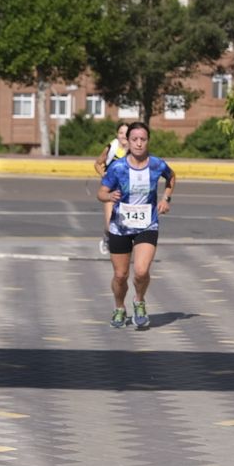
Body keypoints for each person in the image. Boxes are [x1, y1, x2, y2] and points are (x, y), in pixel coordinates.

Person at [98, 122, 175, 330]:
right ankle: (119, 307)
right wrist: (109, 195)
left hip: (147, 224)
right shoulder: (118, 167)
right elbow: (100, 193)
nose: (139, 144)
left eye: (143, 139)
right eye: (135, 140)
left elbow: (171, 177)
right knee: (120, 276)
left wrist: (166, 198)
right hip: (120, 227)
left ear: (148, 141)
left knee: (141, 272)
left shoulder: (157, 164)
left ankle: (139, 302)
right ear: (128, 142)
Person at [94, 123, 131, 255]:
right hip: (111, 190)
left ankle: (125, 248)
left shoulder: (135, 149)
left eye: (126, 133)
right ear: (117, 134)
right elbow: (98, 164)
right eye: (121, 133)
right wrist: (104, 174)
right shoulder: (112, 147)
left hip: (127, 190)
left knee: (127, 222)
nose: (124, 136)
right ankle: (106, 237)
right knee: (110, 223)